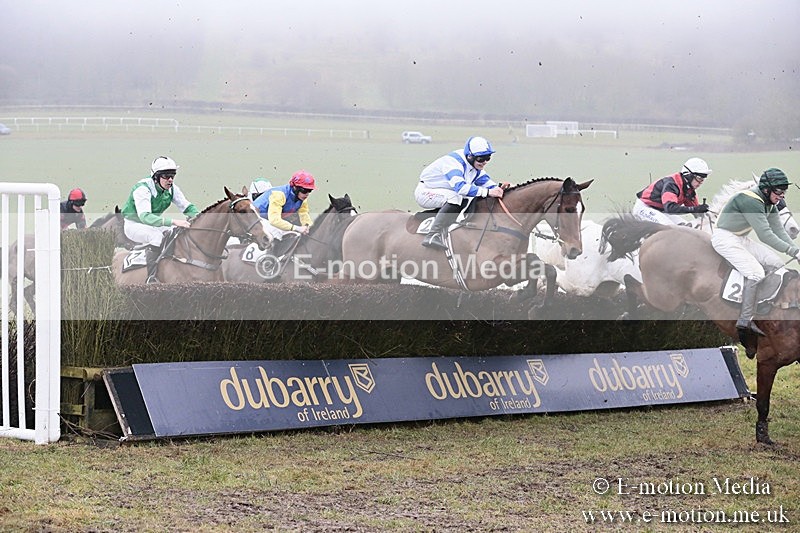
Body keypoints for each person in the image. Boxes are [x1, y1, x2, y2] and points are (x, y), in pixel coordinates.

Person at [712, 168, 799, 336]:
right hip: (724, 238)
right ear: (766, 189)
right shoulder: (751, 200)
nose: (781, 196)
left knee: (777, 264)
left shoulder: (769, 203)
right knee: (756, 274)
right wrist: (792, 251)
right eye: (779, 191)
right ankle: (744, 319)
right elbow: (765, 235)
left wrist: (796, 251)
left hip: (741, 238)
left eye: (784, 192)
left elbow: (779, 231)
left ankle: (762, 302)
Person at [414, 136, 506, 250]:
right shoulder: (453, 163)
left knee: (465, 199)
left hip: (443, 192)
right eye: (481, 159)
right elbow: (461, 188)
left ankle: (433, 216)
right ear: (470, 156)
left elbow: (487, 183)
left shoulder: (474, 166)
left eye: (488, 158)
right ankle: (432, 235)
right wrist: (488, 192)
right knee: (456, 197)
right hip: (425, 191)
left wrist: (500, 189)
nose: (485, 162)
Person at [121, 156, 200, 282]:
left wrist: (201, 217)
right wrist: (174, 221)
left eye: (172, 176)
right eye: (166, 176)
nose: (170, 180)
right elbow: (145, 217)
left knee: (177, 233)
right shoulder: (142, 189)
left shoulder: (172, 189)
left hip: (152, 224)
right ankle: (151, 277)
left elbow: (186, 206)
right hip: (134, 225)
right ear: (156, 177)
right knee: (156, 237)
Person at [632, 158, 712, 225]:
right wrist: (695, 209)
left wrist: (707, 213)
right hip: (645, 208)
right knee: (669, 229)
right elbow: (670, 208)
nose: (701, 182)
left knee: (686, 227)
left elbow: (697, 212)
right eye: (699, 178)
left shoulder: (689, 190)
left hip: (661, 211)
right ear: (688, 175)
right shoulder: (671, 184)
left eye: (703, 179)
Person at [252, 170, 315, 253]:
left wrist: (308, 226)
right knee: (278, 234)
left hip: (267, 219)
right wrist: (297, 228)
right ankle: (269, 261)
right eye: (304, 190)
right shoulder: (279, 195)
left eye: (309, 191)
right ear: (295, 187)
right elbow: (274, 220)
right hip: (254, 218)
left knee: (293, 235)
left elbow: (304, 214)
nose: (307, 194)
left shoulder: (302, 199)